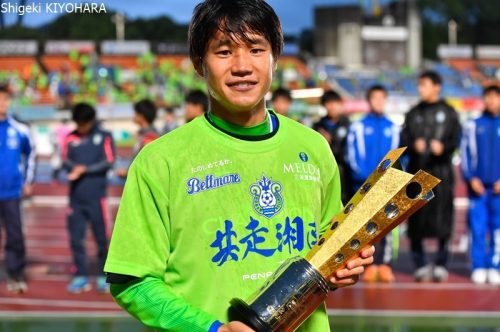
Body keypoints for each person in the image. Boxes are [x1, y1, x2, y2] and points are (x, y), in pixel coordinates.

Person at [104, 1, 375, 331]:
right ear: (198, 64)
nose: (242, 65)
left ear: (275, 59)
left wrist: (341, 269)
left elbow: (325, 251)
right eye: (224, 51)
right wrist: (212, 329)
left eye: (256, 49)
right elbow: (130, 280)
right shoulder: (160, 161)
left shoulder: (313, 148)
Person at [400, 70, 461, 282]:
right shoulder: (413, 113)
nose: (420, 89)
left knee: (443, 218)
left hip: (442, 173)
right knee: (417, 219)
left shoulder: (450, 113)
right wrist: (411, 145)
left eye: (424, 84)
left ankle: (442, 263)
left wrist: (442, 148)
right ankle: (420, 263)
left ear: (437, 86)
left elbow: (455, 141)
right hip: (417, 173)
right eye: (419, 85)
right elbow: (403, 142)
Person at [347, 84, 400, 283]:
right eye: (374, 98)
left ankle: (384, 265)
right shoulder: (358, 126)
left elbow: (399, 156)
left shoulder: (392, 127)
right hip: (364, 185)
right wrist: (366, 178)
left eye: (382, 98)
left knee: (387, 226)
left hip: (387, 187)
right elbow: (352, 157)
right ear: (369, 101)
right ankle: (369, 266)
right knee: (366, 226)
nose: (378, 102)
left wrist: (388, 179)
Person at [62, 102, 115, 293]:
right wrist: (72, 168)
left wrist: (85, 169)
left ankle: (103, 275)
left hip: (97, 197)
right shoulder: (70, 138)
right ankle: (80, 276)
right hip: (76, 198)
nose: (81, 128)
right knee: (76, 239)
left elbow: (109, 161)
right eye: (78, 124)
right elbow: (65, 160)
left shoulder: (104, 136)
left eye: (83, 124)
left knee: (102, 238)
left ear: (91, 121)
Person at [461, 85, 500, 285]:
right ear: (484, 99)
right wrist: (471, 177)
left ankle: (494, 265)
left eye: (496, 97)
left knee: (497, 229)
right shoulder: (473, 125)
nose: (492, 101)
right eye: (489, 97)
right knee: (477, 228)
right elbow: (465, 153)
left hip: (498, 190)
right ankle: (478, 265)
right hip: (477, 188)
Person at [0, 85, 36, 294]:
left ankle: (16, 274)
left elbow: (31, 154)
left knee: (15, 236)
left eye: (5, 100)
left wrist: (28, 181)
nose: (2, 104)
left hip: (12, 193)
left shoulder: (20, 129)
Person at [313, 90, 352, 204]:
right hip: (324, 172)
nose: (332, 106)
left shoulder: (348, 125)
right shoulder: (318, 127)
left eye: (335, 103)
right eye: (328, 103)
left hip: (344, 174)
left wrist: (332, 142)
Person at [116, 99, 160, 178]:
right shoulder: (142, 134)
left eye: (135, 113)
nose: (133, 115)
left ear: (141, 116)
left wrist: (126, 172)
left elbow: (147, 165)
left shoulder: (150, 137)